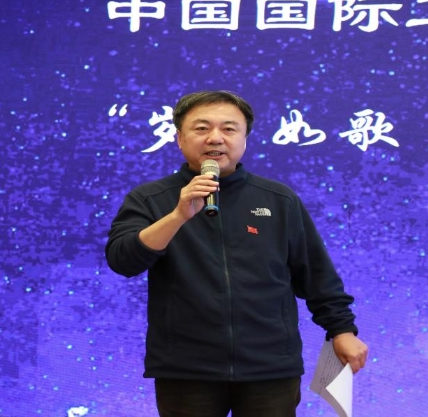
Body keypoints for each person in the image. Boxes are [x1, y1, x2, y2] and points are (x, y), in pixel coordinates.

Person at [105, 90, 368, 417]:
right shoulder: (151, 199)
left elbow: (315, 274)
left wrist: (341, 329)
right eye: (202, 128)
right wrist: (177, 216)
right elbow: (123, 260)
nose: (215, 138)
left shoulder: (278, 199)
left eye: (229, 129)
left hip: (270, 366)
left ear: (244, 138)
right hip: (186, 369)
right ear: (179, 138)